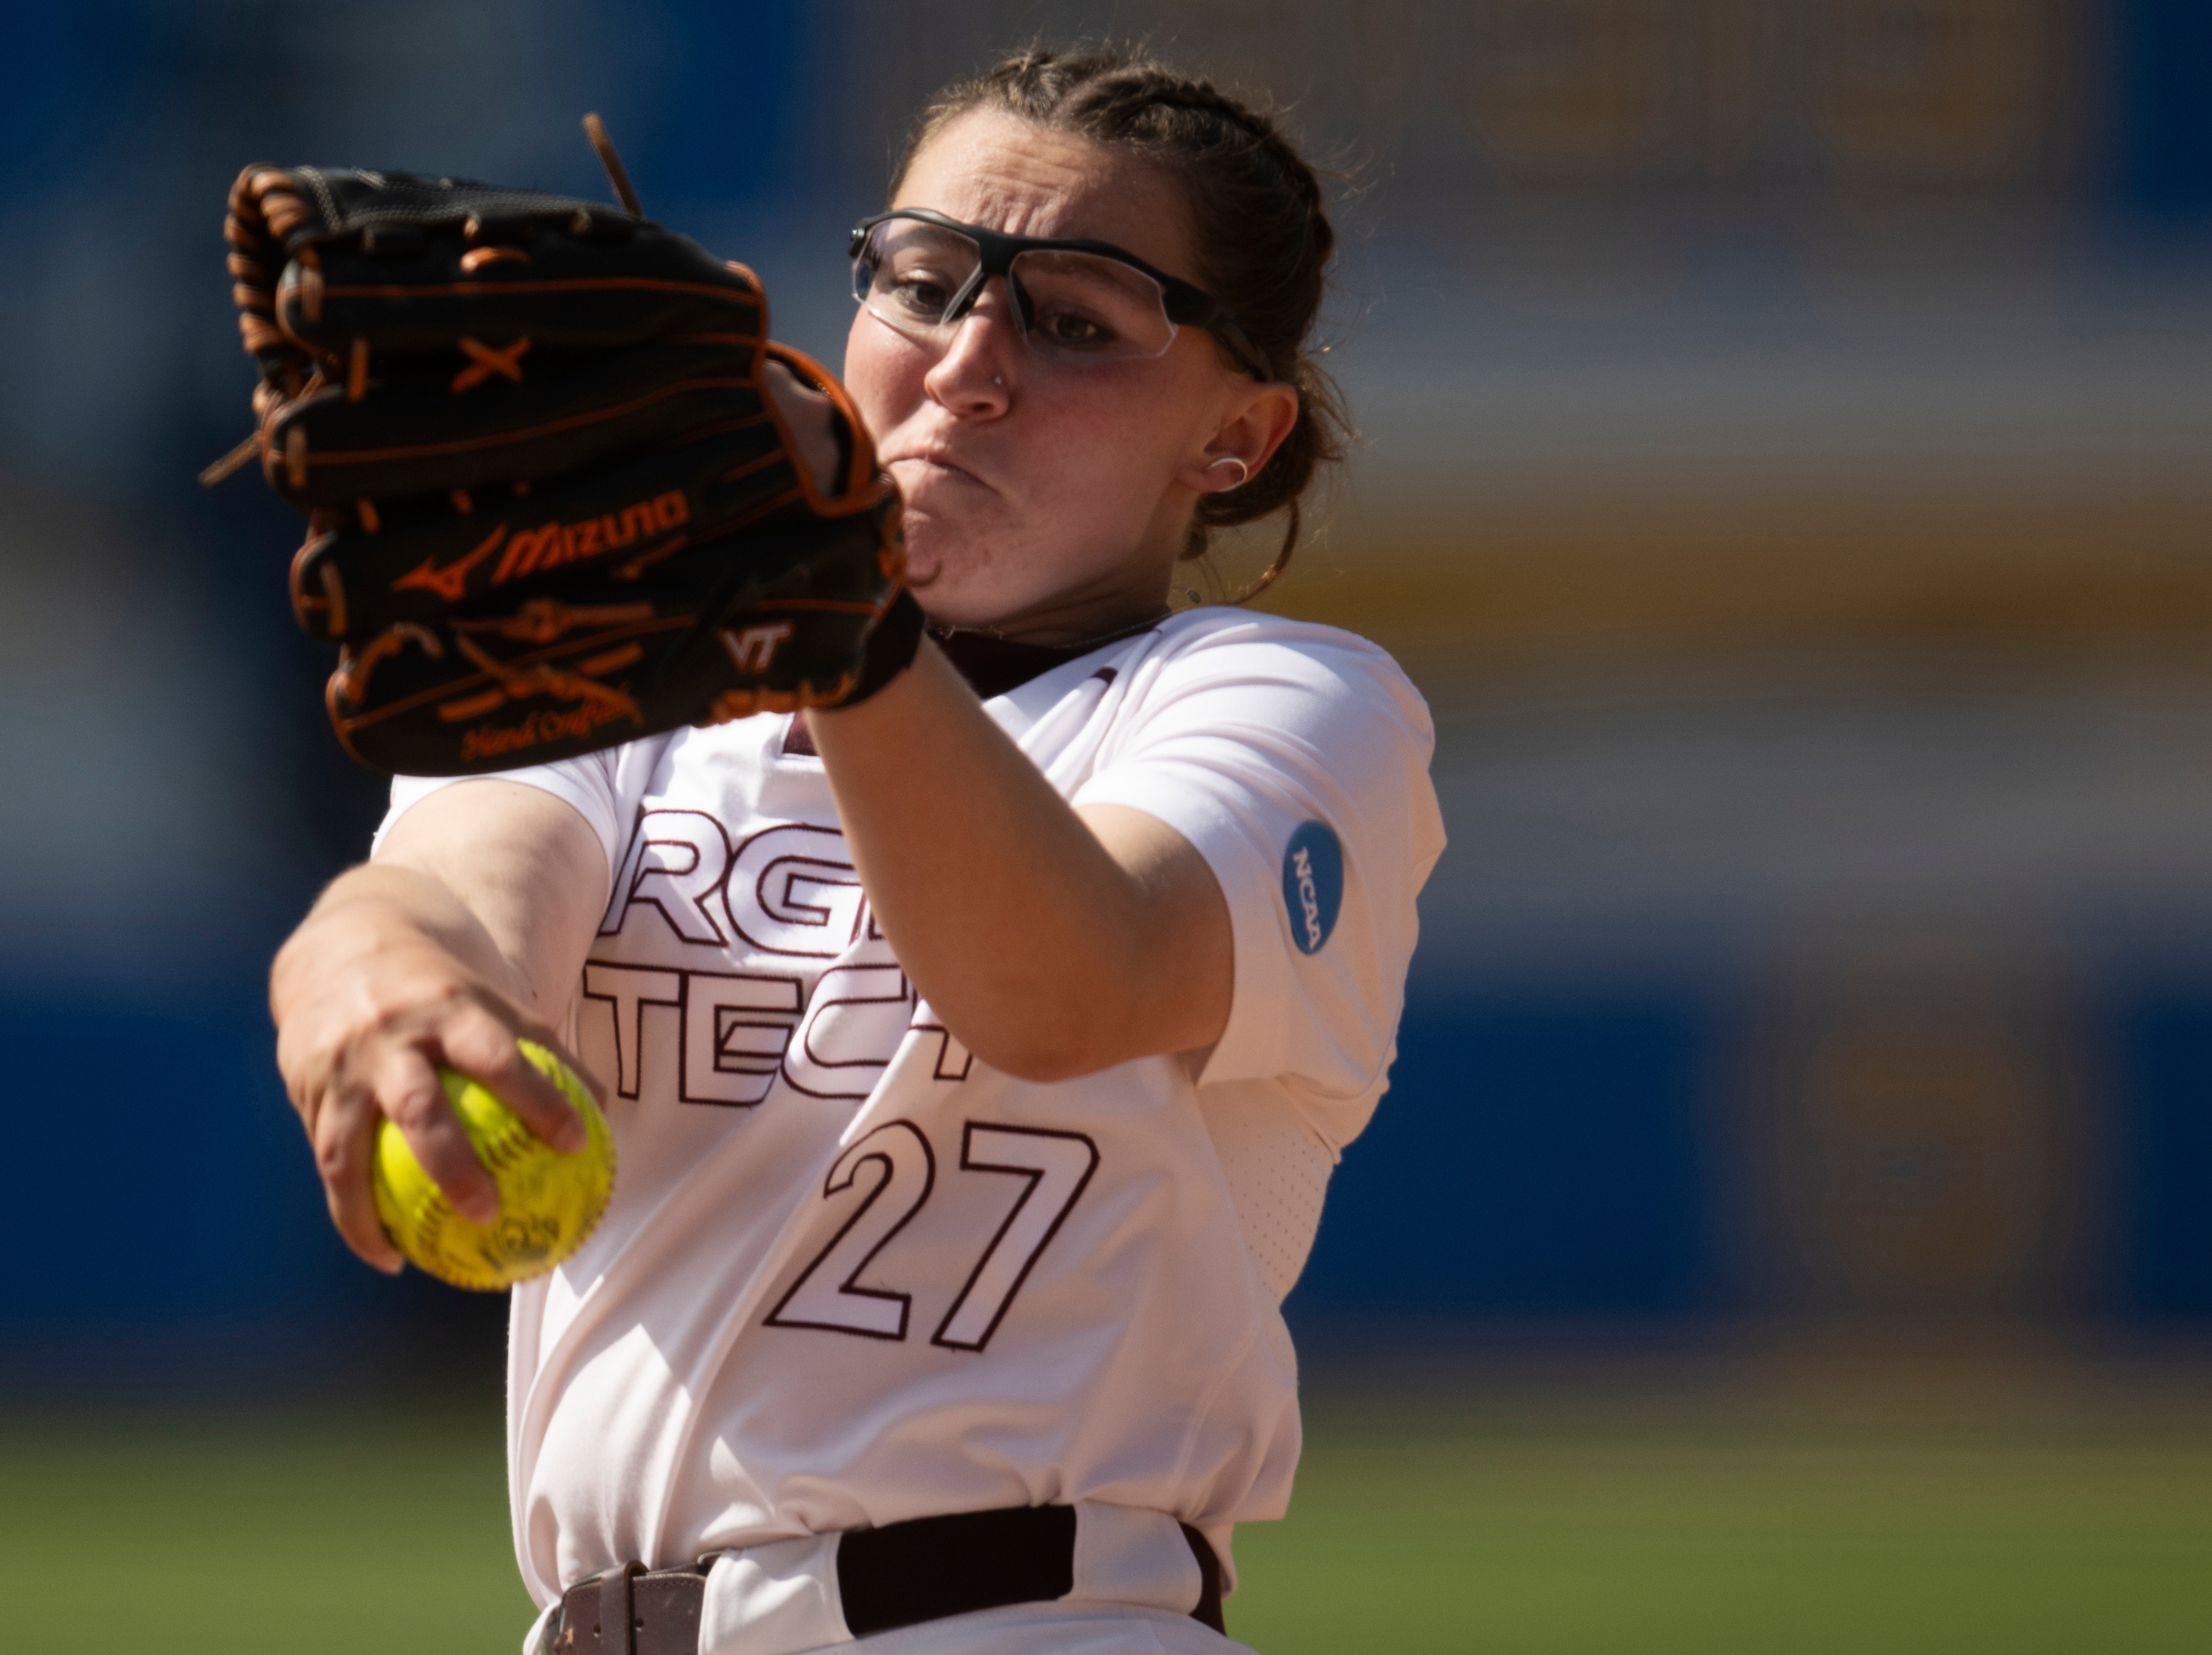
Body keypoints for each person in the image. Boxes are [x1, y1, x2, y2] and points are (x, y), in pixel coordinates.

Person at [271, 45, 1444, 1655]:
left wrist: (838, 619)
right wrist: (379, 979)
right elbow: (451, 887)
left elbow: (1065, 981)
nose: (968, 362)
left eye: (1076, 322)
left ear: (1232, 438)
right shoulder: (637, 690)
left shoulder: (1280, 709)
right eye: (924, 281)